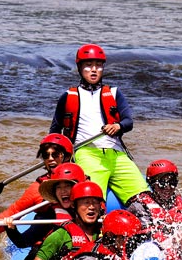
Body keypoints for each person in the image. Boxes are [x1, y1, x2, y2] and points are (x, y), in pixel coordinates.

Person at [48, 44, 149, 211]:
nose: (94, 70)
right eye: (88, 65)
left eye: (98, 65)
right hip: (86, 153)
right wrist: (54, 158)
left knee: (146, 200)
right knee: (92, 201)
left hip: (117, 154)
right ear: (80, 68)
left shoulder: (114, 93)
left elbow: (128, 122)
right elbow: (54, 132)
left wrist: (117, 126)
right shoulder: (68, 96)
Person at [0, 133, 73, 237]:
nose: (50, 158)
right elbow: (15, 211)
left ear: (67, 157)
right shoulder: (37, 189)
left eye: (55, 155)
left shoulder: (80, 178)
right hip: (51, 232)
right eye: (46, 155)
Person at [131, 159, 182, 260]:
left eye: (172, 182)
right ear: (152, 183)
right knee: (152, 249)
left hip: (173, 246)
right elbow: (144, 235)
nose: (168, 188)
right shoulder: (139, 206)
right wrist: (173, 240)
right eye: (162, 183)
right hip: (149, 249)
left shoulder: (177, 202)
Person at [28, 180, 106, 260]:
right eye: (86, 203)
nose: (91, 207)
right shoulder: (61, 234)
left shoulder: (106, 231)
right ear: (74, 205)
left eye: (95, 202)